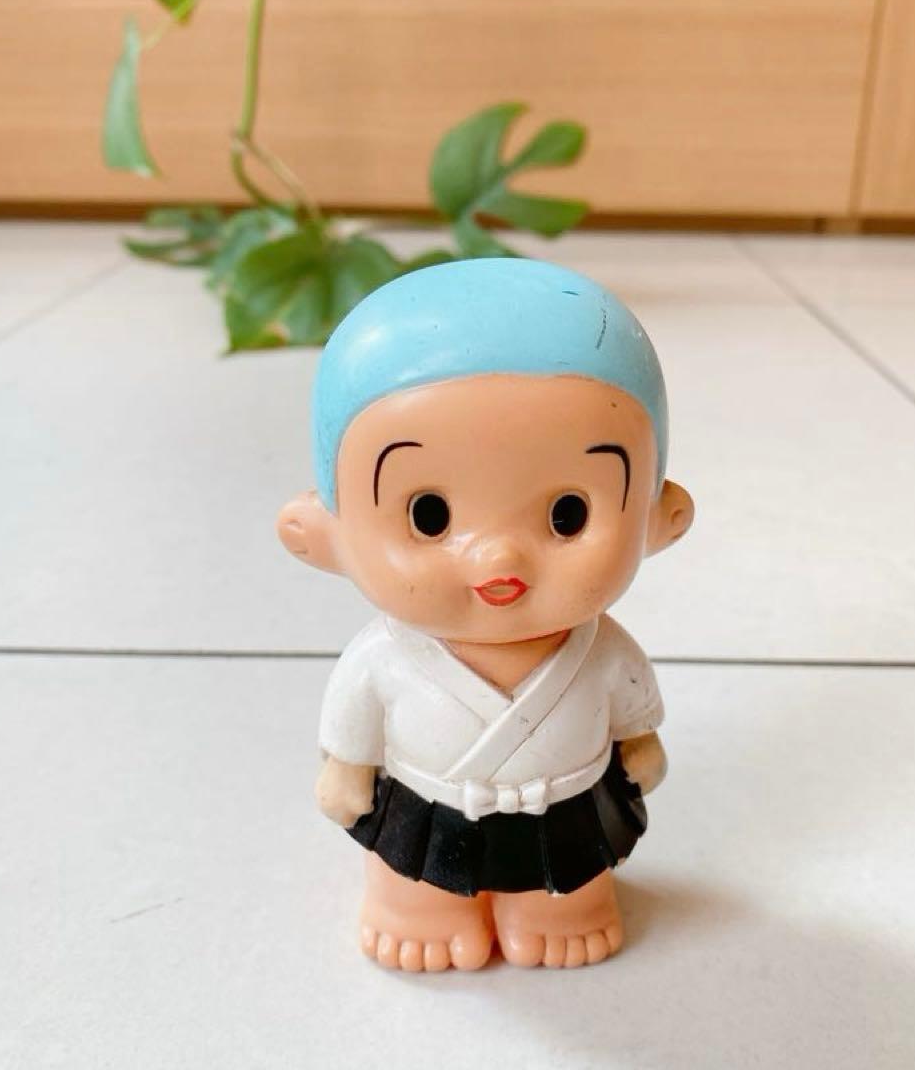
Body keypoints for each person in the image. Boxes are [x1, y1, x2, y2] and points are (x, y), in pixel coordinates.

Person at [278, 257, 694, 972]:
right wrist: (348, 768)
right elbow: (355, 715)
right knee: (418, 872)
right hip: (432, 802)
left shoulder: (602, 653)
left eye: (569, 515)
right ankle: (416, 906)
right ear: (324, 534)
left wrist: (638, 744)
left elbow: (629, 708)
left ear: (658, 519)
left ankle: (562, 905)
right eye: (429, 516)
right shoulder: (385, 659)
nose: (498, 558)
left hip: (563, 806)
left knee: (568, 875)